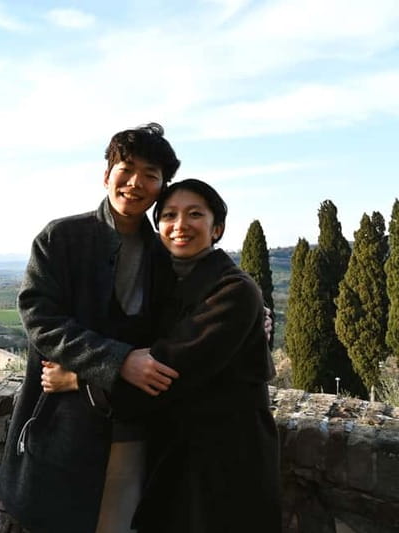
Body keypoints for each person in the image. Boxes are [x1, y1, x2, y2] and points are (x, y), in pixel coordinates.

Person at [44, 179, 281, 532]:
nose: (180, 224)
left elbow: (167, 368)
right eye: (169, 215)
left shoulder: (234, 290)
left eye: (194, 214)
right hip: (176, 453)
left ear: (216, 228)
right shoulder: (167, 283)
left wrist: (79, 379)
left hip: (226, 458)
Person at [0, 123, 182, 533]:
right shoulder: (62, 238)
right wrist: (117, 362)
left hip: (135, 430)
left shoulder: (164, 254)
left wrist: (257, 312)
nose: (136, 183)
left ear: (161, 187)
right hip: (63, 429)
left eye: (151, 175)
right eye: (127, 169)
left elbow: (179, 333)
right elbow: (39, 317)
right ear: (106, 174)